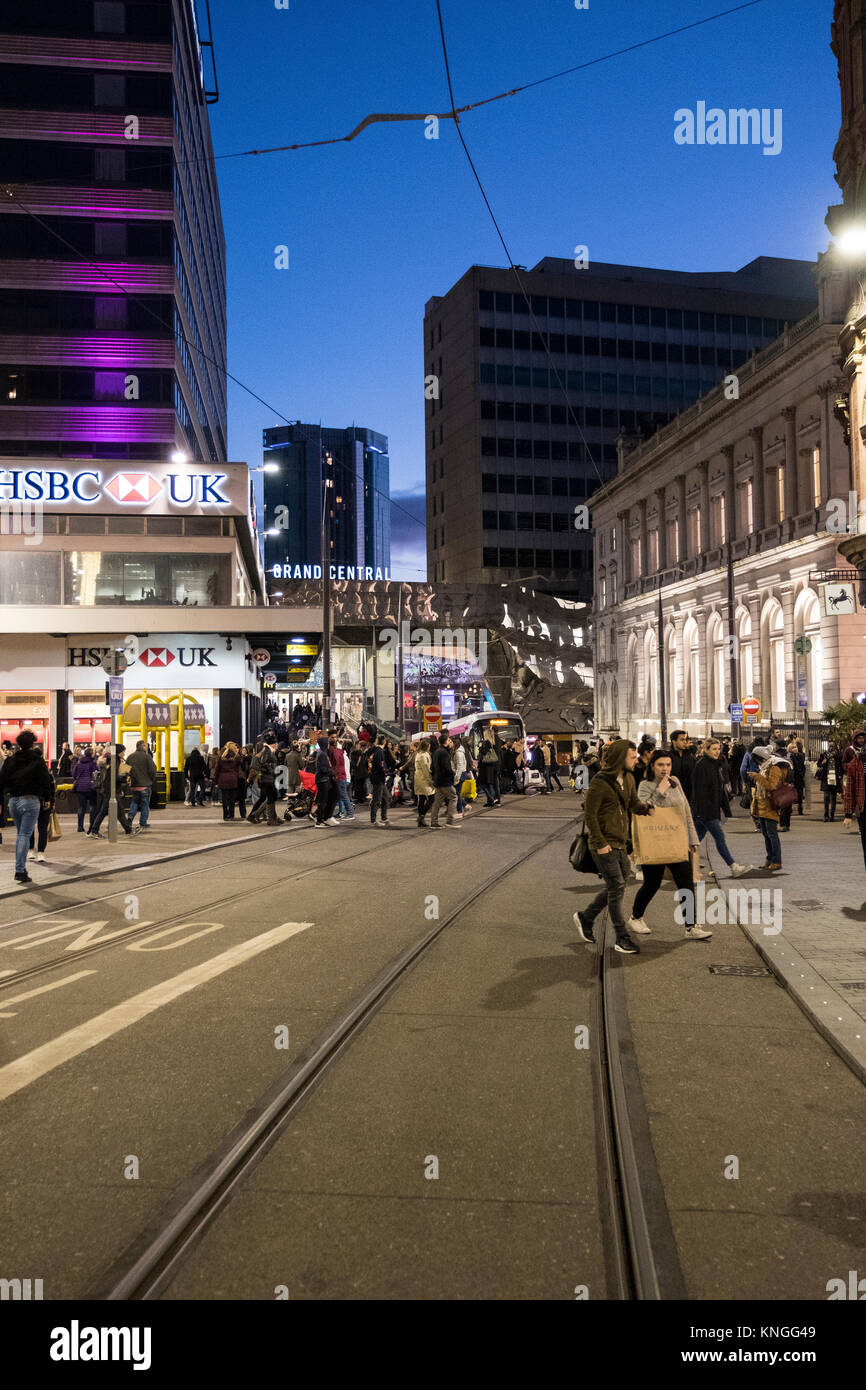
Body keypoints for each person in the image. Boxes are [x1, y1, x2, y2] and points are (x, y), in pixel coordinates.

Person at [572, 739, 654, 955]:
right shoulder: (600, 782)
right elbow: (590, 815)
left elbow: (633, 804)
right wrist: (600, 844)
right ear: (620, 758)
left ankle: (586, 917)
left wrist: (645, 809)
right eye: (632, 757)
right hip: (603, 844)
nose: (636, 760)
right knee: (617, 886)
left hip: (619, 842)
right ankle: (622, 937)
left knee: (617, 884)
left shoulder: (628, 779)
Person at [628, 750, 712, 940]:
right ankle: (636, 917)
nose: (665, 769)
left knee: (686, 884)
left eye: (668, 765)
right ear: (652, 766)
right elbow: (643, 810)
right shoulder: (644, 785)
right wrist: (660, 791)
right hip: (655, 840)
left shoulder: (676, 782)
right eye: (660, 765)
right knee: (652, 883)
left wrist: (692, 840)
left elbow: (686, 811)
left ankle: (691, 926)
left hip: (677, 840)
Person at [691, 737, 751, 877]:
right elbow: (699, 791)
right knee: (719, 838)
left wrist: (725, 807)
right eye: (714, 749)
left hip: (710, 810)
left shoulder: (715, 764)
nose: (717, 751)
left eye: (718, 749)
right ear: (706, 750)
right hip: (706, 811)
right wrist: (700, 811)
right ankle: (733, 866)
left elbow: (719, 788)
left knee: (696, 840)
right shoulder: (702, 765)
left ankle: (679, 863)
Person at [0, 731, 55, 883]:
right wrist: (48, 798)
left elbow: (2, 780)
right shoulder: (37, 760)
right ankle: (19, 870)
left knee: (21, 834)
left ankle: (21, 867)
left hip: (14, 800)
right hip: (31, 800)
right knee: (24, 834)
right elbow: (45, 780)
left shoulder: (10, 760)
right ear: (32, 744)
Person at [748, 745, 790, 871]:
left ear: (763, 758)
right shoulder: (765, 767)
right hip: (762, 805)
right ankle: (769, 859)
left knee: (772, 834)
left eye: (759, 760)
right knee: (766, 834)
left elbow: (772, 786)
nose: (758, 763)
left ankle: (777, 861)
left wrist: (757, 777)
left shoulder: (774, 767)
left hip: (771, 805)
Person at [843, 729, 866, 869]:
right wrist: (848, 814)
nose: (862, 740)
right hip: (863, 805)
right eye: (860, 738)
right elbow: (850, 792)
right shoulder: (854, 763)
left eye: (863, 737)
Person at [430, 732, 461, 829]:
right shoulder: (444, 753)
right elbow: (446, 768)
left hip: (438, 780)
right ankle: (450, 821)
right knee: (454, 797)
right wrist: (453, 774)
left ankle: (434, 822)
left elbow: (432, 767)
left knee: (437, 801)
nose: (451, 742)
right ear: (445, 742)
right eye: (449, 740)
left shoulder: (437, 752)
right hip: (445, 781)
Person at [247, 735, 279, 825]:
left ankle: (271, 817)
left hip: (267, 778)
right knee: (270, 798)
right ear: (273, 744)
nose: (277, 745)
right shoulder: (266, 750)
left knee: (271, 797)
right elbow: (263, 762)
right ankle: (267, 818)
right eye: (275, 743)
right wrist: (271, 770)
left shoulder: (268, 750)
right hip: (266, 778)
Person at [127, 739, 157, 830]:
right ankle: (143, 823)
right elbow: (153, 770)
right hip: (144, 785)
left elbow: (125, 770)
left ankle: (130, 819)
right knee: (145, 804)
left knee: (134, 803)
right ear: (142, 746)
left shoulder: (130, 757)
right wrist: (151, 780)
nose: (146, 747)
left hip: (134, 785)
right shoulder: (147, 757)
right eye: (145, 746)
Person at [313, 736, 339, 827]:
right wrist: (331, 772)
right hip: (322, 780)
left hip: (323, 779)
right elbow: (323, 768)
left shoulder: (321, 753)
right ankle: (319, 821)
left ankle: (321, 819)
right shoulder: (322, 754)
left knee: (324, 800)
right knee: (323, 801)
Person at [72, 745, 98, 833]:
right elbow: (96, 775)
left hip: (80, 787)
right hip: (90, 787)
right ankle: (92, 826)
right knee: (92, 806)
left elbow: (74, 775)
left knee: (81, 807)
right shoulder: (93, 763)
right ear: (91, 754)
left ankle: (80, 827)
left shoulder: (79, 763)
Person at [214, 741, 242, 820]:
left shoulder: (221, 757)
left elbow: (217, 770)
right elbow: (240, 766)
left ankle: (225, 815)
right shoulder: (236, 757)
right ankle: (231, 814)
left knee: (224, 798)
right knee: (232, 798)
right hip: (233, 778)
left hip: (223, 778)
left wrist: (215, 781)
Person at [781, 740, 806, 827]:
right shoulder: (790, 757)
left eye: (795, 747)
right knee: (792, 794)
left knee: (800, 794)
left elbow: (803, 766)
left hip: (799, 778)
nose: (795, 749)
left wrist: (802, 774)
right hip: (793, 778)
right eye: (793, 748)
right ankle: (791, 809)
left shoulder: (800, 756)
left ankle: (800, 809)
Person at [368, 734, 391, 827]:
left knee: (386, 797)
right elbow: (380, 765)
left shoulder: (374, 750)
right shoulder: (380, 751)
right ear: (384, 742)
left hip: (377, 777)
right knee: (377, 799)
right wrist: (386, 772)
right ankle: (373, 820)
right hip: (379, 778)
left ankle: (384, 817)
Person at [817, 742, 843, 822]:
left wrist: (840, 774)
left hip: (835, 777)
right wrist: (822, 762)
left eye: (832, 746)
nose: (831, 747)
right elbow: (819, 764)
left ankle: (832, 814)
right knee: (826, 796)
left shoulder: (838, 755)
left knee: (833, 797)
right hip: (826, 777)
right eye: (830, 746)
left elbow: (841, 766)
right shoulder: (824, 755)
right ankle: (826, 815)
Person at [669, 730, 696, 805]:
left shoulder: (690, 757)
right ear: (674, 741)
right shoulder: (668, 757)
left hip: (689, 796)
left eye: (685, 740)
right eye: (682, 740)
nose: (685, 742)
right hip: (673, 795)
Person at [413, 737, 435, 826]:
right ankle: (421, 816)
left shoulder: (421, 754)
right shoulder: (422, 756)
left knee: (421, 799)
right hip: (423, 779)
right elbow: (426, 769)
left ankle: (421, 821)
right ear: (427, 746)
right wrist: (431, 781)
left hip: (419, 778)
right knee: (431, 798)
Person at [477, 737, 501, 808]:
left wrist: (480, 748)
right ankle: (491, 799)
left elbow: (481, 759)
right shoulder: (492, 751)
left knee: (484, 784)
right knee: (489, 784)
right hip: (491, 771)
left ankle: (491, 799)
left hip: (485, 771)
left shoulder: (484, 750)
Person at [333, 740, 354, 820]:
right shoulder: (344, 756)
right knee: (340, 796)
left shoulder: (342, 756)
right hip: (345, 777)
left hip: (343, 778)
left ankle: (347, 813)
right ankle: (342, 812)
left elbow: (343, 769)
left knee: (343, 796)